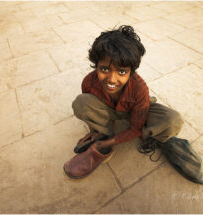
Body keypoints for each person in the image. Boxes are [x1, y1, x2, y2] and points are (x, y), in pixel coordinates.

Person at [63, 25, 184, 179]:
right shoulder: (89, 81)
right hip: (111, 110)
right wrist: (94, 131)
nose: (112, 80)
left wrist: (105, 145)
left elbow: (134, 128)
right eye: (105, 69)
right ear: (96, 65)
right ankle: (103, 133)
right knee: (81, 103)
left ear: (131, 71)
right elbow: (89, 106)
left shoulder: (139, 88)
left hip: (137, 110)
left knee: (172, 120)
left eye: (121, 72)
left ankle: (150, 136)